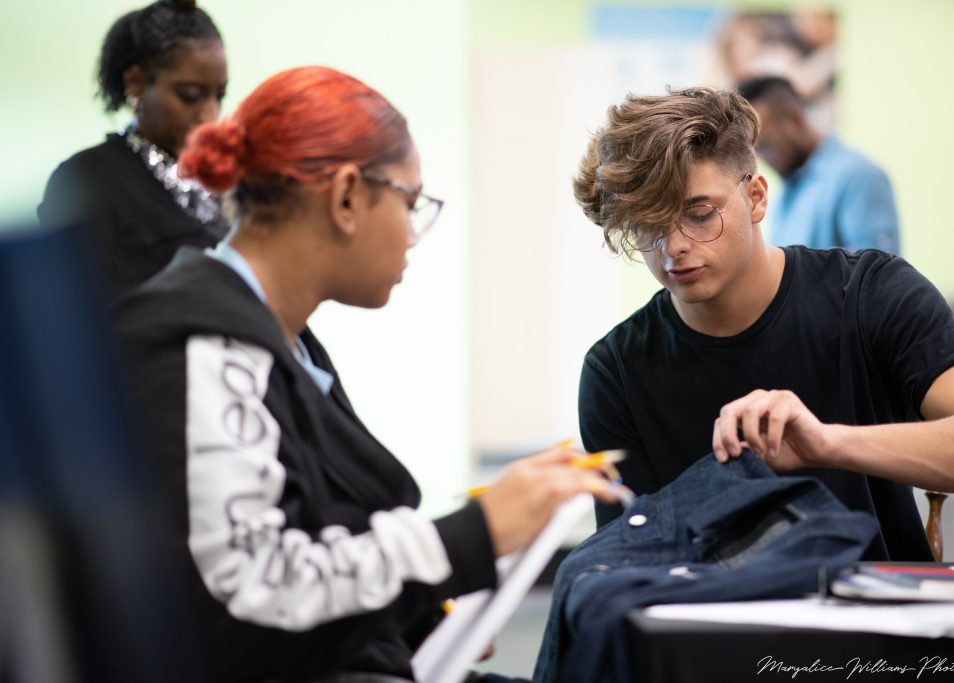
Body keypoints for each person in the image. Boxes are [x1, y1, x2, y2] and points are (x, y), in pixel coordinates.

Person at [112, 65, 621, 683]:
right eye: (411, 202)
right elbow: (249, 599)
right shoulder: (202, 348)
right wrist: (471, 537)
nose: (412, 234)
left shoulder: (285, 344)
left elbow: (314, 531)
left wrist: (414, 613)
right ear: (347, 196)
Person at [573, 86, 954, 561]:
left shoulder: (872, 294)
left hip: (877, 624)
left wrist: (828, 443)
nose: (673, 247)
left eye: (699, 214)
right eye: (648, 224)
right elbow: (629, 564)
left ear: (756, 196)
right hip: (709, 629)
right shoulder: (616, 371)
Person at [39, 0, 229, 298]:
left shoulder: (224, 180)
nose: (210, 115)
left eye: (219, 95)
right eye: (190, 95)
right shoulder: (87, 180)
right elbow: (67, 308)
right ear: (137, 83)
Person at [736, 75, 900, 253]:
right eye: (756, 151)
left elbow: (877, 275)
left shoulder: (858, 176)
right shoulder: (787, 190)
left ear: (795, 119)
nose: (763, 159)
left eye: (766, 146)